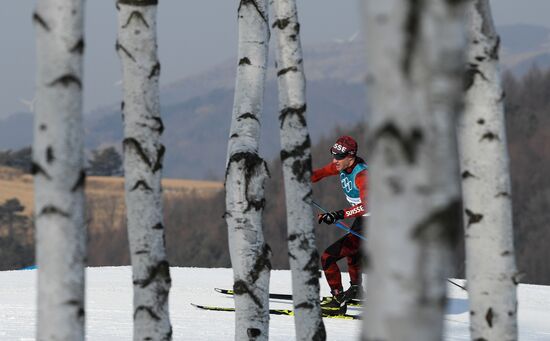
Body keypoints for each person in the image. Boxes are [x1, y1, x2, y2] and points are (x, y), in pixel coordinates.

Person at [311, 135, 368, 315]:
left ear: (350, 157)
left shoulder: (362, 175)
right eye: (333, 155)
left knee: (328, 257)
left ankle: (337, 301)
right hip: (364, 220)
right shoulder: (342, 165)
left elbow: (367, 205)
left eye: (339, 157)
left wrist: (337, 215)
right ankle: (357, 290)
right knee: (354, 253)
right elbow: (320, 173)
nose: (334, 160)